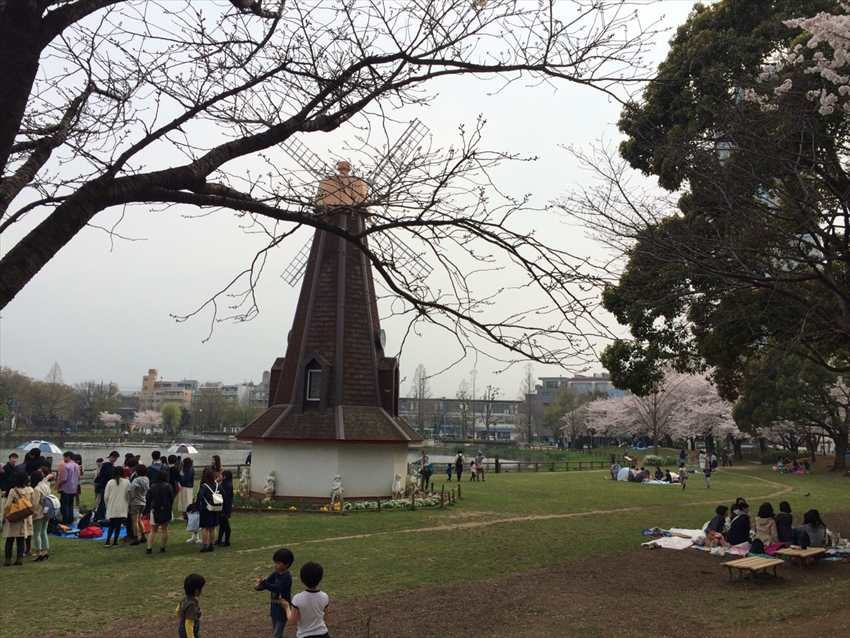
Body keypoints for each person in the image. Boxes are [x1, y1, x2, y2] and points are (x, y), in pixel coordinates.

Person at [281, 561, 330, 638]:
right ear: (320, 579)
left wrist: (286, 607)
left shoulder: (297, 598)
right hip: (323, 634)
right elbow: (326, 618)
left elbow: (292, 621)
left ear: (302, 579)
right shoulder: (325, 596)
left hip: (305, 635)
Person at [255, 547, 294, 638]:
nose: (276, 565)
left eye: (278, 563)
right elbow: (267, 583)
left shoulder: (286, 577)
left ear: (286, 564)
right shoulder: (275, 573)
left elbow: (277, 588)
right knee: (276, 632)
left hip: (283, 608)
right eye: (275, 562)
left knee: (277, 634)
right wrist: (259, 586)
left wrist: (264, 583)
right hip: (274, 607)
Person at [3, 471, 34, 566]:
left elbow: (7, 505)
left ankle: (8, 560)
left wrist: (5, 516)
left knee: (10, 539)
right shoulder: (30, 490)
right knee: (21, 540)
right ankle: (19, 559)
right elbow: (31, 503)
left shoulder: (13, 491)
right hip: (23, 517)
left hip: (14, 516)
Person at [145, 470, 175, 554]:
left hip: (155, 510)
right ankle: (162, 547)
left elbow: (148, 498)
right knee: (164, 529)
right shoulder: (168, 486)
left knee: (153, 530)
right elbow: (171, 498)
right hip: (166, 509)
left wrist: (148, 509)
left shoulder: (152, 486)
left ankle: (149, 548)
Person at [104, 465, 130, 547]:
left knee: (111, 525)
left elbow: (106, 496)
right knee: (118, 525)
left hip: (112, 506)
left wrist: (107, 506)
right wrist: (127, 504)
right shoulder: (127, 482)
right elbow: (128, 495)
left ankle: (107, 541)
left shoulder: (110, 482)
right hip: (121, 507)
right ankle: (115, 541)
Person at [196, 467, 220, 553]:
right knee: (212, 528)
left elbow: (200, 497)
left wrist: (197, 506)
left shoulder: (204, 486)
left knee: (205, 528)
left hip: (205, 509)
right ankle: (211, 545)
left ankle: (204, 546)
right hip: (215, 508)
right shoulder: (217, 485)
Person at [30, 469, 52, 561]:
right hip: (47, 512)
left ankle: (39, 552)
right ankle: (45, 551)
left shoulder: (36, 489)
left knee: (37, 533)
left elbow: (34, 504)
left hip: (38, 512)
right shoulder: (46, 486)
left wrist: (32, 513)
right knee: (44, 531)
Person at [177, 573, 206, 638]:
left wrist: (182, 618)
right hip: (188, 633)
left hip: (182, 630)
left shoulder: (184, 600)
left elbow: (177, 610)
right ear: (196, 591)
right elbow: (189, 625)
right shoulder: (192, 605)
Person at [57, 450, 81, 524]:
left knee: (65, 505)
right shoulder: (77, 465)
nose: (63, 459)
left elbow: (63, 478)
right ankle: (70, 520)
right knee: (70, 505)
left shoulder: (65, 466)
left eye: (64, 457)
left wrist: (58, 484)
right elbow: (78, 476)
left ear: (68, 457)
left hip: (66, 488)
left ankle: (65, 521)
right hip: (73, 488)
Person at [94, 450, 119, 521]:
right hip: (104, 487)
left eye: (116, 458)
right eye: (114, 458)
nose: (115, 459)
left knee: (106, 503)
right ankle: (99, 517)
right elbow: (101, 476)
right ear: (110, 457)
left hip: (109, 487)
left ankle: (103, 516)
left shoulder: (113, 467)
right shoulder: (105, 465)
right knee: (102, 502)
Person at [128, 464, 150, 545]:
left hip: (135, 502)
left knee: (134, 521)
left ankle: (136, 538)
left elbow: (131, 490)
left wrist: (131, 500)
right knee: (139, 519)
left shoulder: (136, 480)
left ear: (137, 472)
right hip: (143, 501)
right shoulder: (147, 479)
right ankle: (143, 536)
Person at [215, 470, 234, 547]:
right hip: (223, 508)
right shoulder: (224, 484)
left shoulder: (227, 485)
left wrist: (224, 511)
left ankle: (227, 541)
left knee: (226, 526)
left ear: (224, 477)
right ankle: (219, 540)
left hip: (224, 509)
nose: (219, 477)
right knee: (222, 525)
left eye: (221, 475)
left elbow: (225, 499)